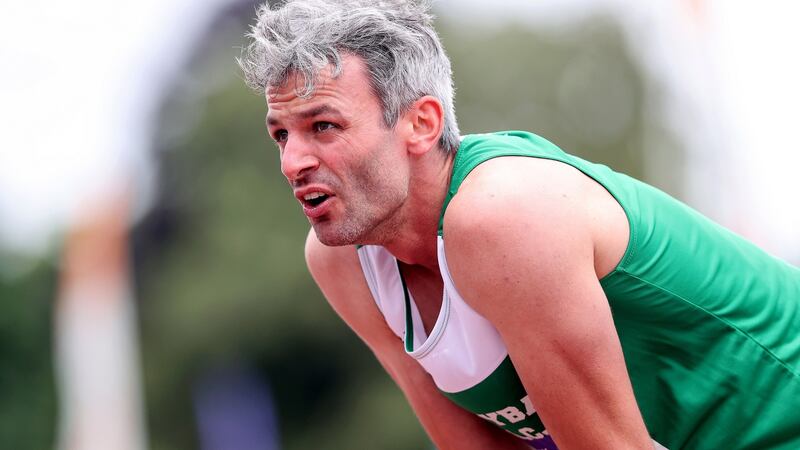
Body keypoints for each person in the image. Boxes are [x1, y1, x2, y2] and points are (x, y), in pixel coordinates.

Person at [239, 1, 800, 448]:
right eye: (282, 135)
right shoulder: (340, 260)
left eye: (325, 126)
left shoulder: (503, 213)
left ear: (420, 123)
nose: (293, 163)